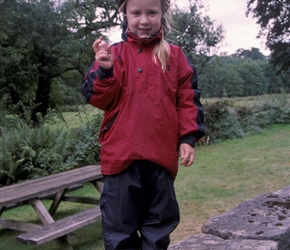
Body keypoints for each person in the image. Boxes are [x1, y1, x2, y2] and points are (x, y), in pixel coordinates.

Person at [81, 0, 205, 249]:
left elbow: (188, 99)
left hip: (161, 157)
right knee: (119, 232)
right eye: (136, 13)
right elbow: (96, 97)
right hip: (120, 158)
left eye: (152, 12)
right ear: (125, 14)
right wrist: (104, 71)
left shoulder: (176, 56)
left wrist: (188, 138)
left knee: (157, 229)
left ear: (162, 15)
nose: (144, 20)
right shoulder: (113, 54)